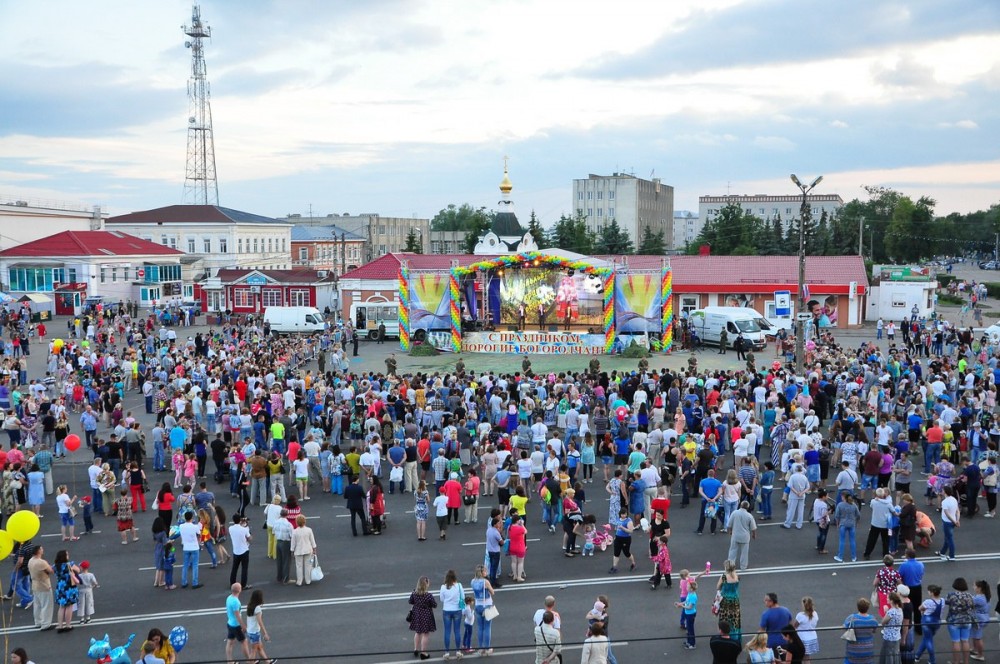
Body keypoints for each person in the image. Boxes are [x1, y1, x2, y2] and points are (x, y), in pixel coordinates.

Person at [944, 577, 975, 664]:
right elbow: (973, 606)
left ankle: (956, 662)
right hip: (967, 620)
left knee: (956, 642)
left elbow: (945, 602)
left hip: (954, 621)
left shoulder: (951, 595)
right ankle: (966, 661)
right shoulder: (969, 596)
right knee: (965, 641)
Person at [842, 598, 880, 664]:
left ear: (858, 607)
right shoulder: (872, 619)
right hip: (867, 648)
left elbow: (845, 627)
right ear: (867, 608)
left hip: (853, 649)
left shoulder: (852, 618)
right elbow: (874, 629)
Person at [409, 576, 438, 661]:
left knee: (417, 632)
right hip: (426, 615)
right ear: (426, 585)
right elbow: (434, 605)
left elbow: (410, 601)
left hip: (417, 615)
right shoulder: (428, 595)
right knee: (425, 634)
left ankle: (415, 649)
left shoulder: (414, 593)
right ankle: (423, 653)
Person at [470, 564, 496, 656]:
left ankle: (481, 648)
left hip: (478, 606)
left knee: (480, 627)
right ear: (482, 573)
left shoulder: (473, 581)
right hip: (487, 605)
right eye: (485, 571)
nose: (486, 572)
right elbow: (492, 592)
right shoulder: (485, 582)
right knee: (487, 628)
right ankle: (487, 648)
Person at [439, 569, 465, 660]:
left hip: (446, 610)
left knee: (447, 631)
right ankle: (458, 651)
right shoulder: (459, 586)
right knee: (457, 631)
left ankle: (446, 652)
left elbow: (442, 599)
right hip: (457, 610)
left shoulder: (443, 587)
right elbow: (463, 597)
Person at [27, 545, 53, 631]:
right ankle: (45, 624)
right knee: (46, 605)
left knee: (37, 605)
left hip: (35, 584)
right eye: (41, 548)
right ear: (38, 551)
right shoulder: (41, 562)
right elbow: (51, 571)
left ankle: (38, 622)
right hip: (44, 585)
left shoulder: (31, 560)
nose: (43, 550)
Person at [52, 549, 79, 632]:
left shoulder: (55, 566)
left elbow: (52, 572)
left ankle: (60, 625)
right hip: (69, 586)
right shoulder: (69, 564)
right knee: (69, 606)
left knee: (61, 606)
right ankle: (68, 625)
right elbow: (78, 570)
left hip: (60, 586)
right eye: (67, 554)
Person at [716, 560, 743, 642]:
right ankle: (735, 636)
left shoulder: (724, 577)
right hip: (735, 599)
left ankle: (724, 634)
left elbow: (718, 587)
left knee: (725, 618)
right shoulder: (736, 576)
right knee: (735, 617)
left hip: (725, 600)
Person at [224, 583, 252, 664]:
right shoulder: (236, 602)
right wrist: (243, 626)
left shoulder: (229, 597)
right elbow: (237, 615)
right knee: (244, 641)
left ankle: (230, 661)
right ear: (239, 590)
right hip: (236, 625)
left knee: (230, 642)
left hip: (230, 623)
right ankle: (250, 660)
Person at [727, 501, 757, 570]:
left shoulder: (734, 513)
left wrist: (730, 531)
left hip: (735, 535)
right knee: (744, 553)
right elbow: (753, 528)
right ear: (748, 507)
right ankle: (743, 566)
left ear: (740, 505)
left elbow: (729, 525)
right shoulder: (749, 516)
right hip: (745, 537)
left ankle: (730, 566)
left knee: (732, 551)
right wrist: (754, 535)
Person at [833, 492, 862, 563]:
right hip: (852, 524)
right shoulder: (854, 505)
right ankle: (853, 557)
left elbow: (837, 516)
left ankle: (840, 556)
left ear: (843, 497)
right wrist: (857, 522)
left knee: (842, 540)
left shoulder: (840, 505)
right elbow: (858, 515)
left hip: (843, 524)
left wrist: (837, 524)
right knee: (852, 540)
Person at [177, 511, 203, 589]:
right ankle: (195, 583)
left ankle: (184, 582)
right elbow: (199, 535)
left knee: (185, 565)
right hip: (194, 547)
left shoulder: (181, 526)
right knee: (195, 565)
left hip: (186, 547)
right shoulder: (195, 527)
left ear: (185, 518)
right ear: (192, 518)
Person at [245, 588, 271, 663]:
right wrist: (265, 633)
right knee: (253, 651)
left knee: (259, 647)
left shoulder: (250, 606)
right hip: (255, 632)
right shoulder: (257, 608)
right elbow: (260, 621)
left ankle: (268, 662)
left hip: (250, 630)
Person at [290, 513, 317, 586]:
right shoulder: (309, 530)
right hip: (308, 550)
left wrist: (292, 551)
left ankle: (299, 581)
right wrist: (314, 549)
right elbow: (312, 540)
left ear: (297, 522)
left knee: (299, 566)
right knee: (308, 566)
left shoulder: (295, 531)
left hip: (298, 551)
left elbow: (293, 542)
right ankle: (308, 580)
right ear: (304, 521)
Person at [792, 597, 819, 663]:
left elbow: (794, 626)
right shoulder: (815, 613)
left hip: (802, 639)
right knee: (807, 657)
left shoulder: (800, 615)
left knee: (801, 657)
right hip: (812, 638)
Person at [879, 592, 904, 664]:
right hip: (896, 636)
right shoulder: (900, 610)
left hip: (889, 637)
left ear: (892, 601)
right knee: (895, 654)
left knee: (889, 656)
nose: (886, 599)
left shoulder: (891, 612)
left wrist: (885, 612)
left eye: (888, 598)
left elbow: (883, 622)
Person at [229, 513, 252, 588]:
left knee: (234, 568)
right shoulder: (244, 529)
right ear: (240, 520)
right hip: (244, 550)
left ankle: (232, 583)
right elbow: (249, 538)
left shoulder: (230, 528)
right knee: (244, 569)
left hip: (236, 551)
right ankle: (244, 584)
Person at [937, 485, 959, 561]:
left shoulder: (944, 502)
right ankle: (942, 552)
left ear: (945, 492)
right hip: (953, 521)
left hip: (947, 522)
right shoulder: (954, 499)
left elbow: (947, 514)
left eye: (942, 490)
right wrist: (957, 520)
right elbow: (957, 511)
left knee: (949, 538)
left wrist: (954, 521)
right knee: (947, 537)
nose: (942, 491)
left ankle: (952, 556)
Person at [676, 580, 698, 649]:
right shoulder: (689, 593)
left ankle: (692, 644)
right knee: (688, 628)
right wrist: (681, 603)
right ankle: (689, 641)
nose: (686, 587)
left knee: (690, 629)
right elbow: (686, 601)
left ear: (691, 588)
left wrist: (681, 606)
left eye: (687, 586)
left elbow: (689, 607)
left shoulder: (693, 597)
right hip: (688, 613)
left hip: (690, 614)